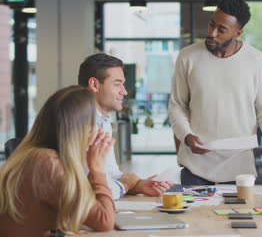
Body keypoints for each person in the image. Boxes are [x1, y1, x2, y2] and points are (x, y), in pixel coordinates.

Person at [169, 0, 262, 185]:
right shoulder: (188, 56)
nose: (212, 33)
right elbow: (177, 106)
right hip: (195, 166)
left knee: (241, 214)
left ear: (238, 33)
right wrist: (186, 135)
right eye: (211, 25)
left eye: (221, 30)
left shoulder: (255, 60)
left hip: (240, 168)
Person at [0, 86, 115, 236]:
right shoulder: (46, 163)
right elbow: (104, 220)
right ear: (82, 130)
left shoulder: (34, 155)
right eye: (95, 124)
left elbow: (86, 205)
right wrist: (98, 170)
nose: (98, 131)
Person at [79, 53, 173, 200]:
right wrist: (126, 184)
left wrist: (138, 185)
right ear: (94, 85)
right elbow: (94, 189)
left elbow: (110, 173)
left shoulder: (103, 120)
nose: (124, 91)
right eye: (117, 84)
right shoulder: (80, 123)